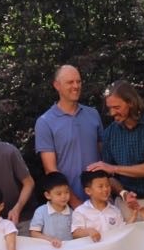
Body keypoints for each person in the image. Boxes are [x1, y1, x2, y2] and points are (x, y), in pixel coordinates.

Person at [90, 80, 144, 215]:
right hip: (125, 205)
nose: (112, 113)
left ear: (131, 102)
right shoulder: (109, 133)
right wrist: (124, 193)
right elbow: (109, 176)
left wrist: (114, 168)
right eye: (109, 108)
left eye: (116, 107)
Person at [35, 65, 102, 205]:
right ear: (57, 85)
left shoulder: (93, 115)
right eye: (70, 82)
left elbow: (103, 158)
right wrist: (75, 203)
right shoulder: (45, 122)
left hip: (100, 201)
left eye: (78, 81)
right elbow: (50, 169)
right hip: (66, 205)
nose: (76, 86)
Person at [71, 168, 144, 241]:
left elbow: (122, 231)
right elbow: (75, 233)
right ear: (88, 191)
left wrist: (134, 215)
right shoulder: (80, 211)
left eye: (107, 185)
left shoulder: (115, 210)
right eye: (100, 186)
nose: (106, 189)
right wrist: (89, 231)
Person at [29, 172, 73, 247]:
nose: (64, 196)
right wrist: (50, 240)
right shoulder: (41, 211)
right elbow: (34, 233)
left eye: (66, 192)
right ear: (48, 195)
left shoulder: (72, 213)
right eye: (59, 194)